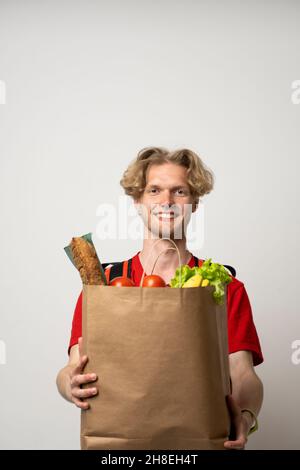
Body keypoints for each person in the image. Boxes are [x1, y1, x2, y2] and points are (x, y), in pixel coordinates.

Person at [56, 146, 264, 450]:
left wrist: (245, 417)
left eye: (179, 191)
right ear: (137, 200)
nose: (166, 201)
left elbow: (242, 373)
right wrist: (68, 384)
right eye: (154, 190)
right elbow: (72, 367)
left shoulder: (223, 285)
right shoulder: (104, 286)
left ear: (194, 203)